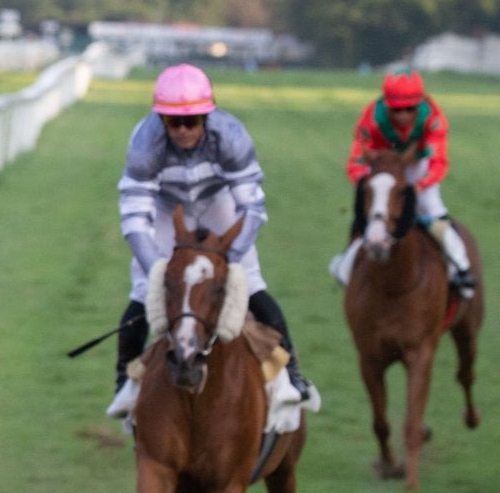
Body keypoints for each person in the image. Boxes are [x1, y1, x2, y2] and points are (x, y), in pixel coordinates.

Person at [113, 62, 313, 403]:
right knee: (145, 288)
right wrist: (157, 269)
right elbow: (134, 217)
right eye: (173, 122)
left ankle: (292, 371)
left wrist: (228, 260)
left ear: (207, 117)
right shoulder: (145, 144)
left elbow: (252, 208)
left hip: (218, 200)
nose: (182, 131)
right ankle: (124, 384)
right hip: (165, 206)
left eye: (191, 122)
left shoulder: (232, 137)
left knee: (248, 280)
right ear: (161, 120)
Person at [329, 68, 475, 298]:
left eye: (410, 108)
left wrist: (417, 187)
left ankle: (462, 268)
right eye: (397, 109)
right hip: (381, 168)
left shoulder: (434, 119)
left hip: (417, 167)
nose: (404, 115)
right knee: (369, 212)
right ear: (387, 105)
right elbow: (356, 159)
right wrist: (368, 183)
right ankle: (347, 262)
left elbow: (438, 162)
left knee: (433, 212)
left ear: (421, 103)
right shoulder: (372, 118)